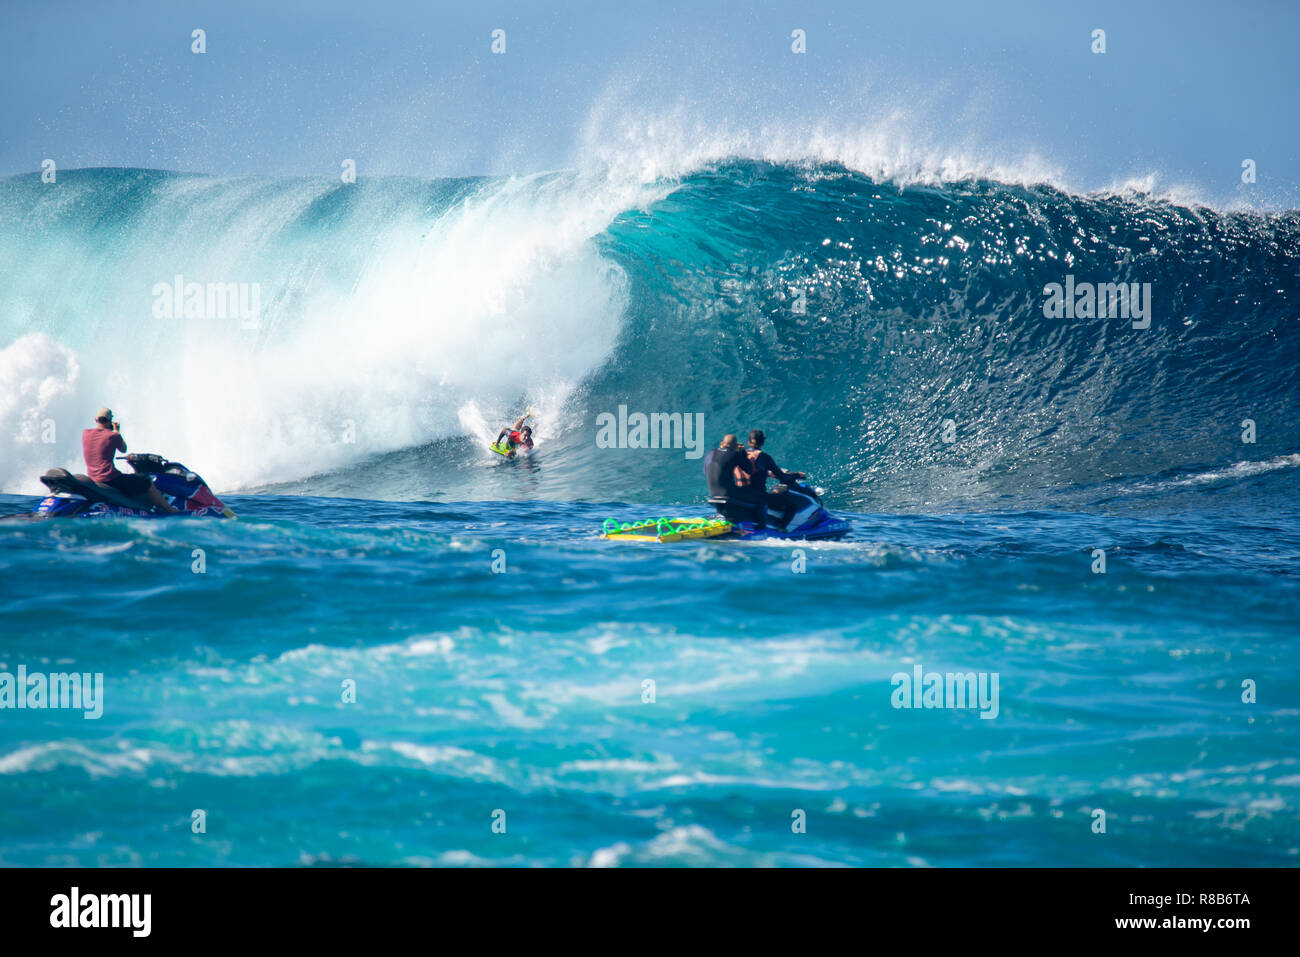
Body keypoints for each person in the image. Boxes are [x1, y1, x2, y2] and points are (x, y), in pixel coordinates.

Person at [82, 408, 178, 513]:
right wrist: (117, 431)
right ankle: (170, 510)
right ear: (110, 421)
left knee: (133, 478)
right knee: (148, 484)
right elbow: (123, 449)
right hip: (110, 479)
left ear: (96, 420)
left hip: (93, 477)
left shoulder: (85, 433)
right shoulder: (112, 436)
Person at [745, 429, 809, 529]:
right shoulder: (764, 457)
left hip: (740, 494)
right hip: (758, 496)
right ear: (763, 442)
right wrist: (796, 475)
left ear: (748, 442)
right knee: (791, 507)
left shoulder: (740, 455)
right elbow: (783, 477)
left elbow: (750, 471)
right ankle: (781, 530)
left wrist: (766, 472)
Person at [703, 434, 762, 525]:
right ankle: (760, 526)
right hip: (728, 495)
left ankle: (722, 515)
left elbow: (705, 471)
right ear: (735, 446)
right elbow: (749, 469)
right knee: (760, 497)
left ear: (722, 443)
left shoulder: (710, 453)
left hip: (713, 494)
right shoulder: (735, 454)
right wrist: (742, 453)